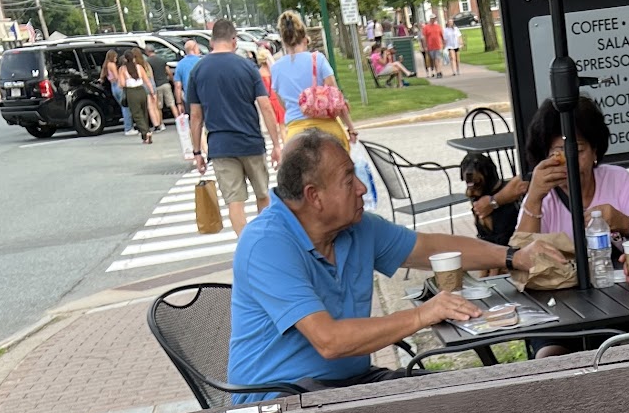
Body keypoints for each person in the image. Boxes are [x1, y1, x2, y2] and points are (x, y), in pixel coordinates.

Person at [227, 130, 564, 398]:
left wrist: (512, 256)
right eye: (349, 179)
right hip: (279, 404)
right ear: (314, 196)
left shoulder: (355, 227)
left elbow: (430, 248)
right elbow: (329, 341)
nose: (362, 188)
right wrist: (422, 314)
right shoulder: (266, 244)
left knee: (454, 399)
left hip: (348, 386)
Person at [516, 96, 629, 248]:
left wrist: (624, 223)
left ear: (595, 151)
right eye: (559, 153)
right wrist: (534, 199)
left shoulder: (618, 179)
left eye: (578, 151)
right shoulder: (542, 196)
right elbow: (521, 256)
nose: (571, 162)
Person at [187, 19, 283, 237]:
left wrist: (197, 152)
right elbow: (265, 106)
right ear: (234, 40)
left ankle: (245, 243)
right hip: (251, 141)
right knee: (263, 195)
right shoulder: (247, 67)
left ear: (211, 42)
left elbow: (196, 116)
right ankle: (265, 240)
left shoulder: (198, 70)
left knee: (234, 202)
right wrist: (276, 144)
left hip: (220, 146)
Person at [269, 10, 357, 153]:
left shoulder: (276, 69)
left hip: (296, 131)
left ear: (283, 41)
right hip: (326, 128)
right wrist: (351, 128)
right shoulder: (318, 60)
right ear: (304, 37)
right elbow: (336, 99)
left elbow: (283, 105)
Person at [462, 151, 526, 246]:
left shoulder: (503, 202)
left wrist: (492, 202)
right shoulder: (477, 198)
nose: (469, 172)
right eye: (465, 166)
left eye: (477, 166)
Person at [119, 48, 155, 144]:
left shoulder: (123, 69)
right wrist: (152, 92)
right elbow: (147, 80)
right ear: (133, 58)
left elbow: (122, 84)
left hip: (131, 92)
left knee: (137, 114)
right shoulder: (139, 67)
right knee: (144, 113)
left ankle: (146, 132)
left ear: (125, 59)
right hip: (141, 91)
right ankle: (145, 136)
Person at [102, 48, 131, 135]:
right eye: (115, 57)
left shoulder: (106, 65)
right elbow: (117, 76)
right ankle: (128, 128)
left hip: (113, 86)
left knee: (123, 106)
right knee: (126, 107)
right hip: (118, 86)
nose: (116, 59)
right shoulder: (112, 65)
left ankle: (128, 127)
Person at [255, 47, 285, 125]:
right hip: (276, 98)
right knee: (282, 124)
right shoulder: (273, 71)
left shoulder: (259, 73)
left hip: (267, 99)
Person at [172, 38, 203, 113]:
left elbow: (178, 86)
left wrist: (179, 103)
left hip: (189, 99)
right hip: (203, 98)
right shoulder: (201, 62)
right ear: (194, 49)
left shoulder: (180, 64)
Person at [149, 50, 178, 127]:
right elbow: (168, 71)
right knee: (172, 104)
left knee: (159, 107)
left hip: (157, 85)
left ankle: (161, 124)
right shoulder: (162, 59)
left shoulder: (148, 62)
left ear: (146, 52)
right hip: (166, 84)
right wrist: (172, 80)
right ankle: (178, 120)